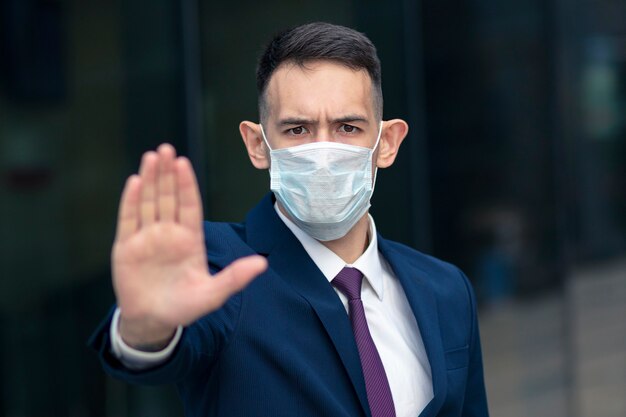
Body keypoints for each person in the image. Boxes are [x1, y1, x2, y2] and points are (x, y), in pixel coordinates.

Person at [89, 22, 489, 417]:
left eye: (347, 127)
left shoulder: (446, 290)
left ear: (386, 144)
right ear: (258, 145)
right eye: (297, 129)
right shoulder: (220, 267)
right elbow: (159, 345)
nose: (323, 152)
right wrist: (145, 329)